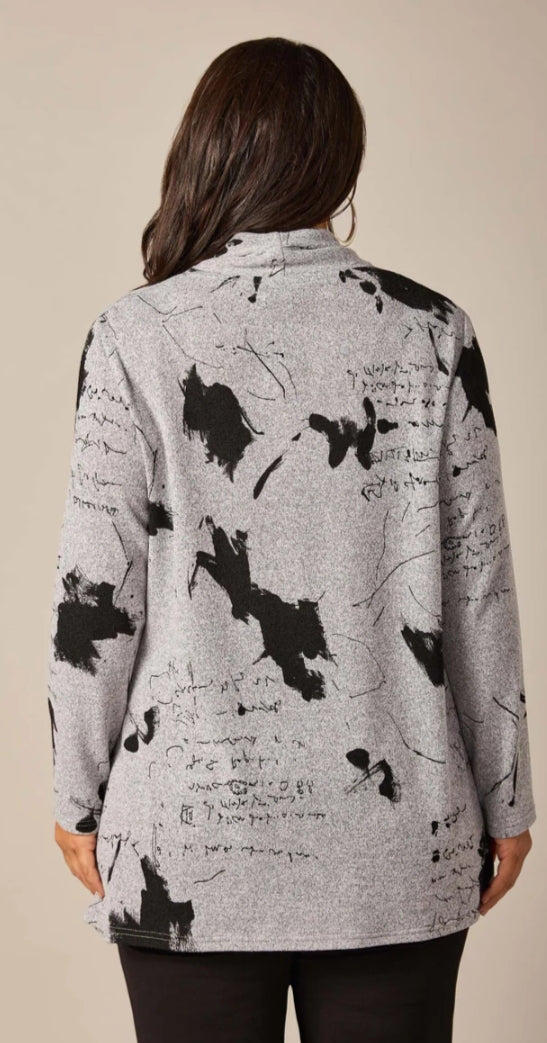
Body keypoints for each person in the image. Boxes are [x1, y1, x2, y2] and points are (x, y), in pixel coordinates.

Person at [47, 36, 536, 1043]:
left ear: (209, 149)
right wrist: (507, 797)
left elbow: (96, 596)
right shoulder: (431, 331)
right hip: (395, 844)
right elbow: (476, 588)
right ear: (340, 161)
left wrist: (76, 790)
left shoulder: (134, 335)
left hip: (186, 845)